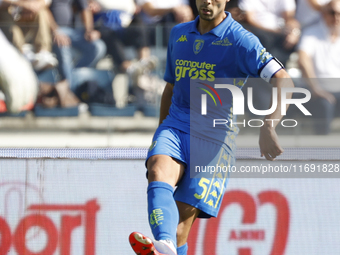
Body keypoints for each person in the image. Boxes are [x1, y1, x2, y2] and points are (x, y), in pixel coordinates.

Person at [128, 0, 294, 255]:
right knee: (158, 169)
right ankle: (164, 244)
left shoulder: (241, 40)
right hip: (177, 124)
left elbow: (283, 80)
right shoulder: (178, 33)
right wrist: (160, 134)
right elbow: (171, 87)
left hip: (215, 139)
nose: (207, 1)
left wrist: (269, 125)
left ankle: (168, 245)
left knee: (182, 226)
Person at [297, 0, 340, 134]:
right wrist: (316, 88)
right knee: (323, 104)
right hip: (318, 90)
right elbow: (303, 59)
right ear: (324, 14)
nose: (336, 17)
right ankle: (322, 149)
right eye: (333, 13)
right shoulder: (312, 33)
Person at [48, 0, 107, 91]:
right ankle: (69, 89)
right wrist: (55, 31)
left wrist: (89, 31)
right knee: (62, 44)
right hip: (51, 31)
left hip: (71, 30)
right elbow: (43, 9)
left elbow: (85, 8)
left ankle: (74, 79)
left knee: (98, 47)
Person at [0, 0, 58, 71]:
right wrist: (22, 5)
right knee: (3, 13)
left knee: (41, 11)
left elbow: (46, 1)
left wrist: (34, 7)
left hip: (26, 23)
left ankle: (43, 52)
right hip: (7, 29)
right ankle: (24, 53)